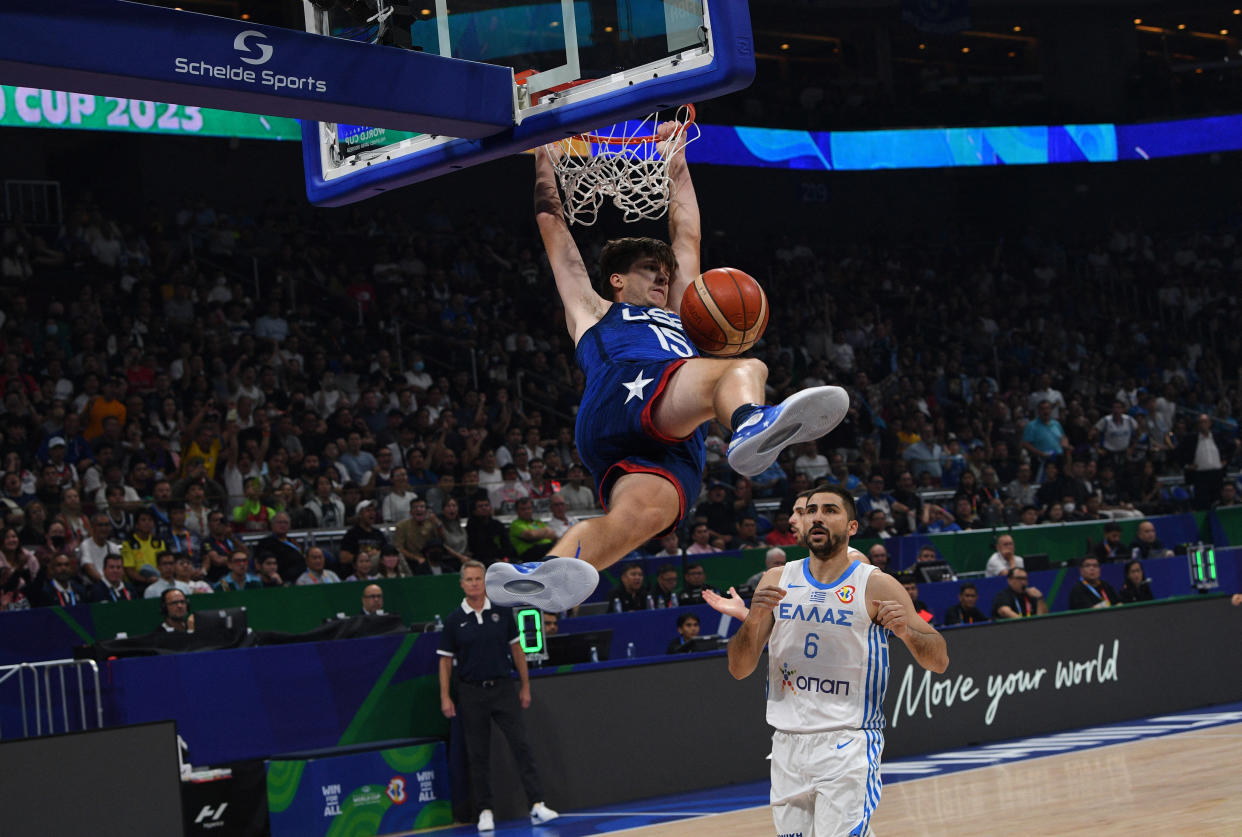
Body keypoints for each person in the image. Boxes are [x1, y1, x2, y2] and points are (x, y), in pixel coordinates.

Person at [485, 140, 848, 613]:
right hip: (628, 391)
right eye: (649, 271)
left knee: (635, 518)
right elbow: (554, 227)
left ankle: (544, 573)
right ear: (616, 279)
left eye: (664, 273)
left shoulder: (684, 315)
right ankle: (750, 419)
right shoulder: (594, 310)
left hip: (662, 444)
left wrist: (677, 162)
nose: (663, 278)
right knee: (743, 367)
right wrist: (542, 162)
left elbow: (687, 237)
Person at [726, 485, 947, 836]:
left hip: (848, 741)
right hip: (787, 743)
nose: (817, 517)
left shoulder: (875, 584)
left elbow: (939, 660)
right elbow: (739, 669)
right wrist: (753, 619)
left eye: (830, 510)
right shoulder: (777, 580)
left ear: (852, 527)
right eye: (811, 510)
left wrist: (905, 632)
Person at [437, 561, 559, 832]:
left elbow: (517, 651)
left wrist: (525, 686)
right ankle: (484, 810)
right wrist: (446, 697)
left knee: (521, 746)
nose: (474, 584)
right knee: (478, 754)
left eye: (478, 579)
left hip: (503, 688)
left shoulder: (502, 613)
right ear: (461, 584)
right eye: (468, 579)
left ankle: (537, 804)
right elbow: (445, 662)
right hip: (470, 692)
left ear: (485, 582)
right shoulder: (455, 619)